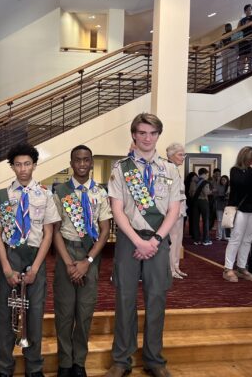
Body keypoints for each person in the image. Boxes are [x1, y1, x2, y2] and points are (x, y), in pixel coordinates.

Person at [105, 113, 183, 377]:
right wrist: (139, 241)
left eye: (152, 133)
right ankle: (121, 360)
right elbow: (117, 209)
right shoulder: (120, 168)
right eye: (142, 133)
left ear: (158, 136)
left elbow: (173, 210)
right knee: (125, 299)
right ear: (134, 135)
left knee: (156, 299)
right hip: (130, 241)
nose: (147, 138)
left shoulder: (170, 169)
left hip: (158, 241)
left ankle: (154, 359)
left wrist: (156, 240)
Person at [0, 143, 61, 377]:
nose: (23, 169)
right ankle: (4, 367)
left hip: (35, 256)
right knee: (4, 313)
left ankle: (34, 367)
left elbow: (49, 233)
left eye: (27, 164)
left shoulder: (45, 194)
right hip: (10, 255)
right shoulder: (3, 196)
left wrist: (36, 268)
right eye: (18, 165)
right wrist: (6, 267)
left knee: (34, 314)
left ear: (34, 164)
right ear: (12, 167)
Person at [52, 145, 112, 377]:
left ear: (91, 162)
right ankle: (65, 363)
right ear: (71, 163)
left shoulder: (100, 192)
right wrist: (68, 263)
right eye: (77, 160)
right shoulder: (60, 192)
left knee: (84, 312)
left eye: (86, 160)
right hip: (67, 252)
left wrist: (87, 260)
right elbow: (55, 230)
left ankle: (79, 362)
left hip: (91, 255)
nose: (82, 164)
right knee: (65, 312)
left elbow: (105, 230)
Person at [223, 146, 252, 282]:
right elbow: (242, 184)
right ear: (249, 159)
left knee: (248, 239)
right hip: (240, 209)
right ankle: (228, 268)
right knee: (236, 238)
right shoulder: (236, 171)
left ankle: (241, 267)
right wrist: (251, 170)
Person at [166, 143, 188, 279]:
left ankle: (176, 266)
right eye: (180, 154)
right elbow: (166, 190)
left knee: (178, 240)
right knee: (172, 240)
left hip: (180, 210)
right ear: (171, 156)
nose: (183, 157)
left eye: (183, 154)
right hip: (173, 211)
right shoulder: (168, 169)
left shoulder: (175, 169)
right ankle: (170, 269)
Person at [189, 168, 212, 246]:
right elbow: (206, 192)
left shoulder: (193, 181)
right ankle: (206, 240)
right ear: (205, 174)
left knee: (195, 221)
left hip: (195, 202)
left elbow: (191, 193)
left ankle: (196, 239)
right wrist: (212, 191)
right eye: (206, 174)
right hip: (203, 201)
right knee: (206, 220)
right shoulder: (205, 182)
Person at [237, 4, 252, 74]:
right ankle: (240, 73)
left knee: (250, 57)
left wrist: (251, 24)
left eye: (250, 9)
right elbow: (238, 30)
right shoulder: (241, 20)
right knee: (242, 58)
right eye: (247, 10)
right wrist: (245, 25)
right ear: (245, 11)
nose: (249, 11)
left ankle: (249, 71)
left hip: (251, 40)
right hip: (243, 41)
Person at [214, 175, 230, 241]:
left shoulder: (229, 187)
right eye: (222, 180)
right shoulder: (218, 186)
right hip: (219, 205)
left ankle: (225, 236)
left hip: (227, 205)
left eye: (224, 180)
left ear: (227, 180)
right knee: (219, 220)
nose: (223, 181)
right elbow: (214, 195)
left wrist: (227, 195)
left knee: (226, 221)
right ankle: (219, 235)